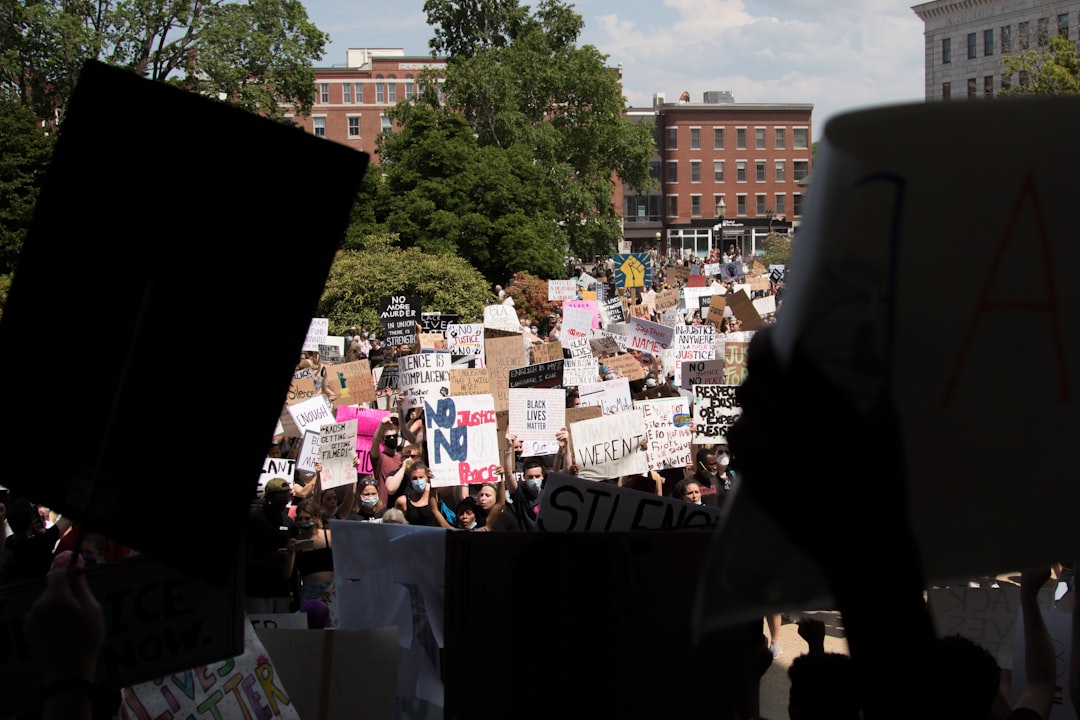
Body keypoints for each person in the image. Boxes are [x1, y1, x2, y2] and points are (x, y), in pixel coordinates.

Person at [243, 477, 303, 614]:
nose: (283, 501)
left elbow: (293, 565)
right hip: (257, 590)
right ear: (269, 497)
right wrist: (270, 559)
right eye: (279, 497)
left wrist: (295, 592)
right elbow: (246, 557)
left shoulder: (289, 523)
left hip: (281, 591)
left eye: (285, 497)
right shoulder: (254, 519)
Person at [294, 499, 338, 628]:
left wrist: (332, 585)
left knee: (333, 626)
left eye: (307, 518)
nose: (303, 522)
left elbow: (343, 563)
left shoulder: (328, 536)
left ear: (316, 517)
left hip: (331, 587)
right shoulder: (297, 542)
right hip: (309, 590)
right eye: (300, 518)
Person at [394, 461, 441, 527]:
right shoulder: (402, 501)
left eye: (421, 477)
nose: (418, 481)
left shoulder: (435, 495)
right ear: (410, 480)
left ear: (427, 478)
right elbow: (396, 524)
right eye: (414, 478)